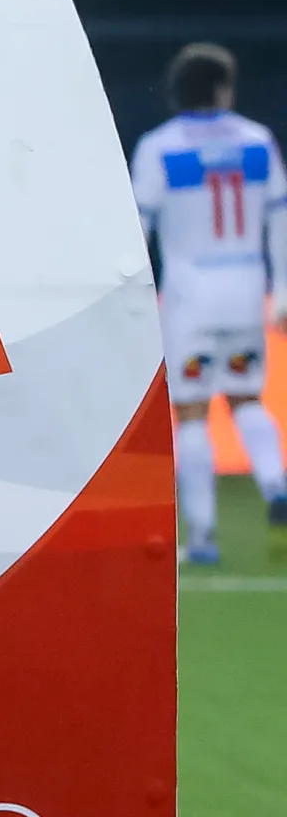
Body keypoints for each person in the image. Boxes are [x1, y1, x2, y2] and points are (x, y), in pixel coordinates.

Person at [133, 43, 286, 566]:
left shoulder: (160, 148)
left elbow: (139, 228)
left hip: (190, 301)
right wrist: (283, 289)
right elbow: (281, 221)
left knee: (192, 412)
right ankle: (275, 487)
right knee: (245, 396)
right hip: (245, 293)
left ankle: (201, 537)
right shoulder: (257, 141)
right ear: (224, 88)